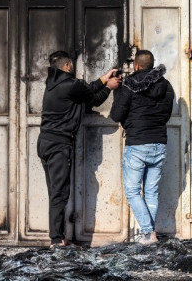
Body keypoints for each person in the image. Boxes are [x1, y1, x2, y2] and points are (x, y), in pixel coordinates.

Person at [38, 51, 121, 248]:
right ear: (67, 66)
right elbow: (93, 98)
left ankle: (58, 237)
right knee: (60, 194)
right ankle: (56, 241)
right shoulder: (71, 85)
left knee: (54, 192)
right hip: (59, 145)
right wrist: (109, 87)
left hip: (45, 142)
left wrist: (104, 79)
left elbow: (87, 89)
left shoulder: (53, 85)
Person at [109, 50, 174, 245]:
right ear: (152, 65)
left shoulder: (129, 86)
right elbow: (166, 115)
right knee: (151, 192)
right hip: (159, 143)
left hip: (137, 144)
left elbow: (116, 115)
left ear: (136, 66)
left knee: (132, 191)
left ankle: (148, 232)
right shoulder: (166, 85)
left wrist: (116, 92)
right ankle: (148, 236)